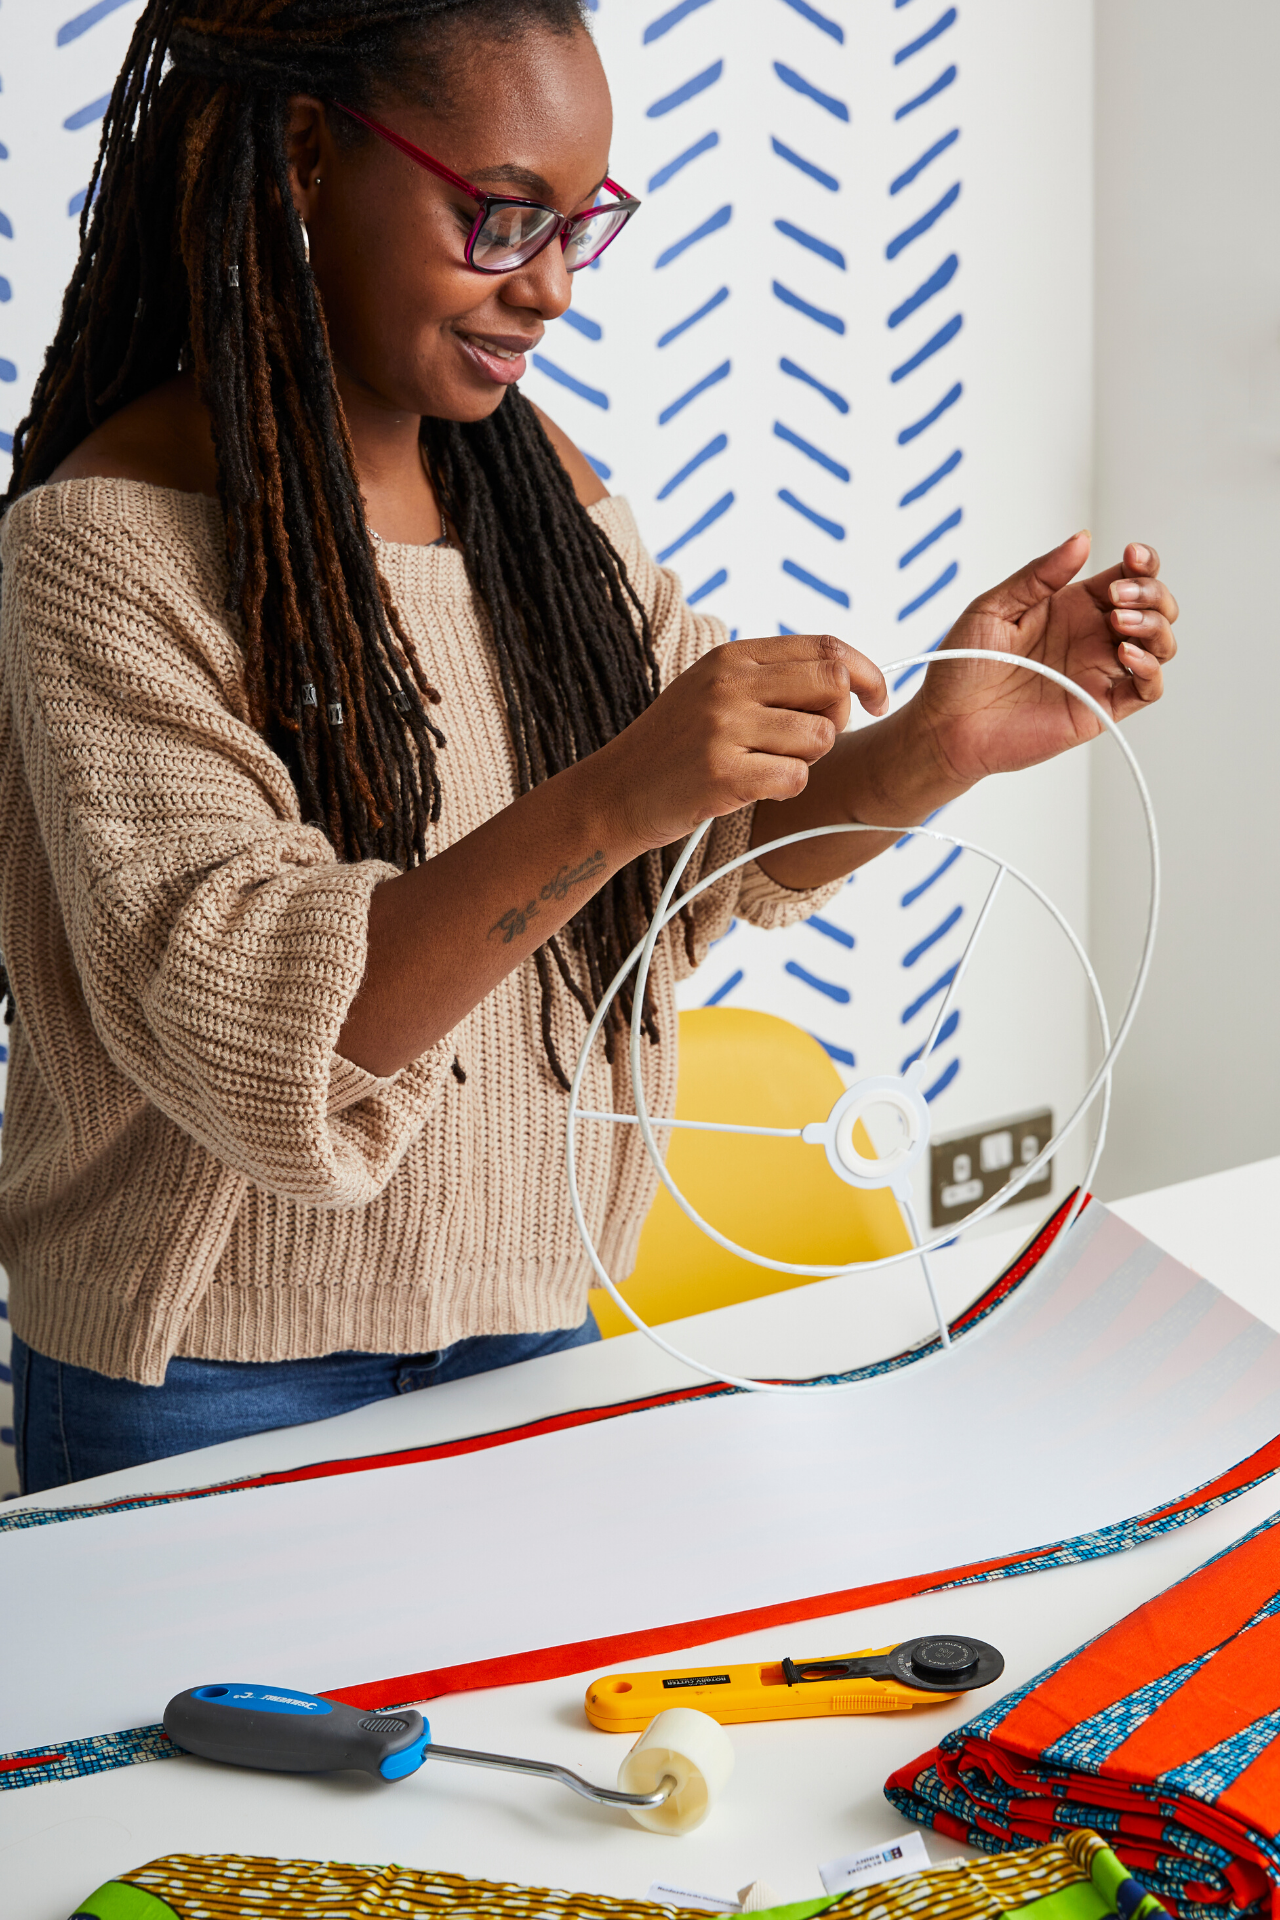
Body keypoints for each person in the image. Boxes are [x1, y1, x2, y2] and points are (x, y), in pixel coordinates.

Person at [0, 0, 1178, 1496]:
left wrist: (942, 741)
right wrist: (618, 791)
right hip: (209, 1376)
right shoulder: (105, 545)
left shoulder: (534, 489)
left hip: (534, 1314)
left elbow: (691, 854)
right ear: (305, 156)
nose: (550, 287)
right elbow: (258, 1035)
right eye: (500, 217)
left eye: (578, 225)